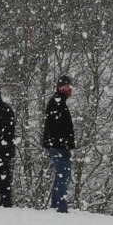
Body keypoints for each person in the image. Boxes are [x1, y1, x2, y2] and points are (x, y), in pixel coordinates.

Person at [42, 75, 75, 213]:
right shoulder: (57, 103)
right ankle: (60, 207)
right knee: (63, 175)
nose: (70, 89)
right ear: (61, 87)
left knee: (61, 175)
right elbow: (56, 127)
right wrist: (63, 143)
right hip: (58, 146)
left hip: (59, 145)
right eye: (68, 87)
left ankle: (57, 205)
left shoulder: (58, 102)